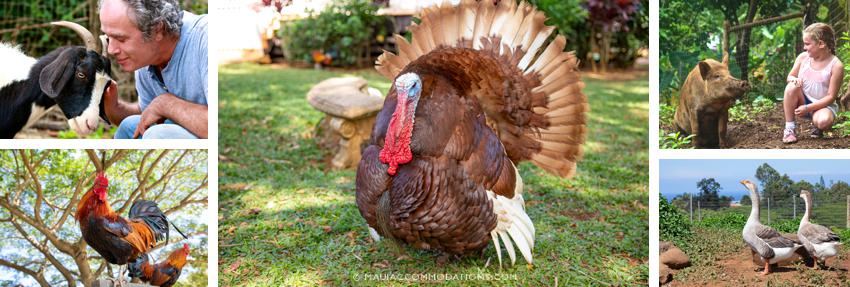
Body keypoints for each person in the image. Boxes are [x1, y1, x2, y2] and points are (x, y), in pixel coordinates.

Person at [99, 0, 208, 139]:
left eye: (121, 39)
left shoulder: (205, 37)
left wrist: (166, 104)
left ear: (158, 29)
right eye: (108, 37)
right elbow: (147, 114)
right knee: (129, 126)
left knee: (158, 134)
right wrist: (113, 108)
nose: (111, 50)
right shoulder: (147, 57)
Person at [782, 22, 844, 143]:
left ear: (821, 44)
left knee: (823, 122)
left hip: (823, 105)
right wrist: (793, 79)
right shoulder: (803, 58)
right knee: (791, 87)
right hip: (802, 100)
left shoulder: (836, 66)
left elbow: (831, 97)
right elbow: (790, 76)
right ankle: (789, 129)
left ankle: (817, 127)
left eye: (807, 44)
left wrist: (808, 108)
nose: (804, 47)